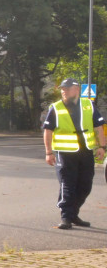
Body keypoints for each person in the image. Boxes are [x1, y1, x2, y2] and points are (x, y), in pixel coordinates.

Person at [42, 78, 106, 230]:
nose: (63, 91)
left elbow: (98, 127)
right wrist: (49, 152)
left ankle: (73, 214)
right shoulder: (55, 108)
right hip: (65, 153)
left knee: (85, 185)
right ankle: (66, 217)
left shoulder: (88, 105)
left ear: (76, 89)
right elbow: (48, 131)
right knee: (68, 185)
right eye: (62, 89)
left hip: (85, 151)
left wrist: (102, 146)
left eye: (67, 88)